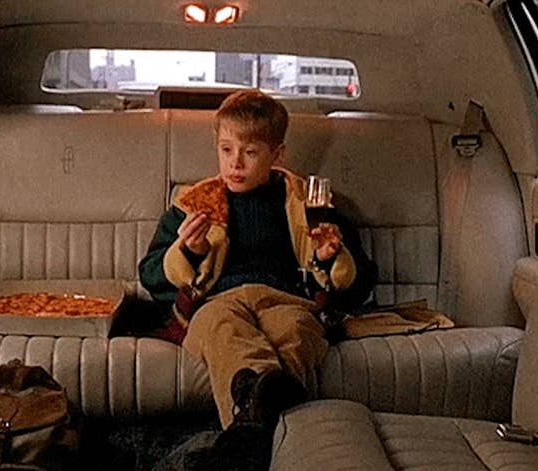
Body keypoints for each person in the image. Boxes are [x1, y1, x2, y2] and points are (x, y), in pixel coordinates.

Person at [139, 90, 376, 469]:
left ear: (276, 155)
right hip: (218, 301)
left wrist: (329, 258)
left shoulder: (308, 203)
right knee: (223, 328)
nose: (235, 163)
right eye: (226, 150)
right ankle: (265, 429)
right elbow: (150, 275)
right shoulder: (194, 204)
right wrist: (188, 252)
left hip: (286, 298)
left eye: (249, 152)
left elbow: (360, 281)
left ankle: (245, 436)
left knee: (296, 331)